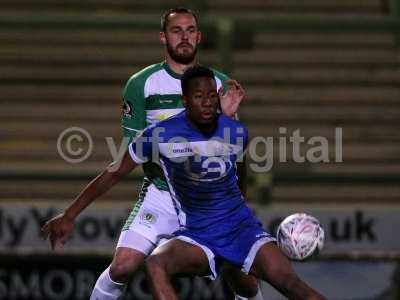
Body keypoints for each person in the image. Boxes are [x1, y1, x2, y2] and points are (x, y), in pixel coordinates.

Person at [42, 7, 261, 300]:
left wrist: (240, 201)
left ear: (199, 36)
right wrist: (71, 214)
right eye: (176, 30)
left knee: (244, 279)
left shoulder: (219, 84)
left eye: (190, 30)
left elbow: (235, 153)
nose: (184, 37)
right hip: (161, 194)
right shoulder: (141, 84)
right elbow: (125, 159)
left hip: (211, 200)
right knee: (122, 266)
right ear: (163, 37)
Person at [133, 66, 325, 300]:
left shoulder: (237, 132)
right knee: (155, 264)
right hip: (198, 235)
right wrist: (72, 214)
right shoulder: (161, 134)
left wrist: (239, 210)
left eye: (212, 96)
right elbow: (112, 172)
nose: (206, 102)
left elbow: (240, 169)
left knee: (291, 286)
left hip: (240, 230)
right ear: (185, 99)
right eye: (199, 96)